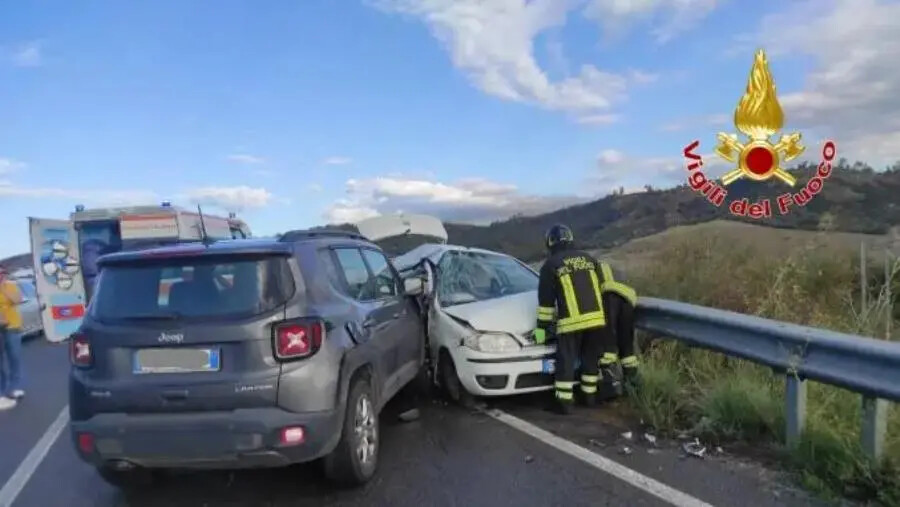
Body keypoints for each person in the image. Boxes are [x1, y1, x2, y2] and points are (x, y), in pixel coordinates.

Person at [533, 224, 613, 415]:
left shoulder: (551, 265)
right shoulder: (590, 259)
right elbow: (604, 290)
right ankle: (589, 397)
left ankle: (564, 402)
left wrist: (540, 332)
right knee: (590, 360)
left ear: (550, 243)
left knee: (566, 361)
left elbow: (546, 305)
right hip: (597, 320)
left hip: (571, 323)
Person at [596, 261, 640, 400]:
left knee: (607, 348)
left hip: (608, 299)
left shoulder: (590, 268)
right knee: (627, 349)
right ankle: (633, 387)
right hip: (628, 299)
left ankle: (610, 388)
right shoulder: (609, 266)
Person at [0, 266, 25, 410]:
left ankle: (14, 387)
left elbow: (17, 300)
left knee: (14, 357)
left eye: (2, 273)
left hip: (12, 327)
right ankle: (2, 391)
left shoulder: (10, 286)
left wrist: (2, 288)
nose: (0, 275)